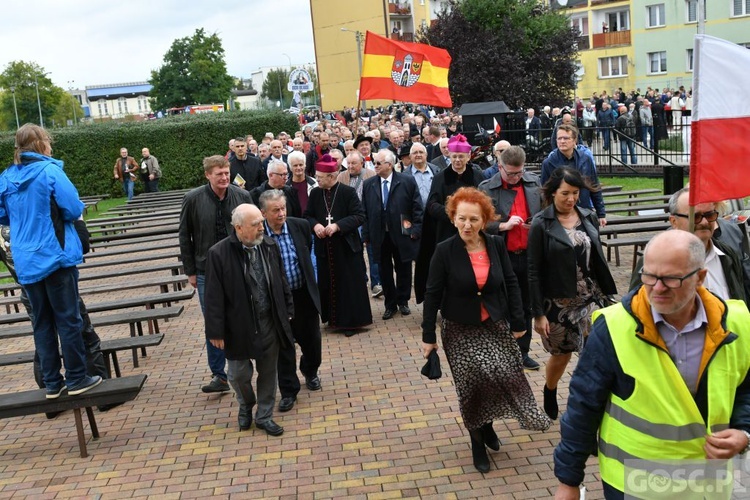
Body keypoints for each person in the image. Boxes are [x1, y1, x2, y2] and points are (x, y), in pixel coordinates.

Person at [554, 230, 750, 499]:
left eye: (671, 278)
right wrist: (568, 481)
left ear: (700, 278)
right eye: (649, 275)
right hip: (637, 481)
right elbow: (583, 405)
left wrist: (744, 431)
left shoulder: (737, 322)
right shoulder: (613, 328)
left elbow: (745, 386)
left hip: (707, 480)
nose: (657, 288)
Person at [421, 187, 551, 473]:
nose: (467, 225)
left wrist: (519, 323)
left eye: (474, 220)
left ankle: (488, 425)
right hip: (459, 329)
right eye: (462, 218)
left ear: (485, 221)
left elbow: (511, 283)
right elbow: (432, 294)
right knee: (474, 387)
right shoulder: (444, 251)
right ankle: (477, 441)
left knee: (499, 377)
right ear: (453, 218)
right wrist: (428, 336)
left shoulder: (494, 244)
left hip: (493, 324)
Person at [0, 123, 101, 398]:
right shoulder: (50, 171)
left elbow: (3, 216)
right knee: (68, 320)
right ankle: (78, 378)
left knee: (41, 324)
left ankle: (52, 384)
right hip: (54, 256)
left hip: (26, 259)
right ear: (43, 144)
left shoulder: (6, 178)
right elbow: (72, 208)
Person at [528, 167, 617, 420]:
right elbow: (533, 271)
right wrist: (538, 314)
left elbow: (596, 258)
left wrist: (607, 295)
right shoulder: (541, 224)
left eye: (575, 193)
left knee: (596, 355)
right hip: (558, 302)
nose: (571, 199)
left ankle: (588, 406)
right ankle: (550, 388)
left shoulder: (587, 216)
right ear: (552, 193)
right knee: (561, 355)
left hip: (591, 298)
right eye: (565, 193)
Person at [204, 204, 293, 437]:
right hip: (238, 325)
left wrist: (288, 310)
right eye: (255, 225)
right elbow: (213, 296)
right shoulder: (218, 253)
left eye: (261, 223)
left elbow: (281, 280)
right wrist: (216, 331)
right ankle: (246, 403)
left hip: (268, 321)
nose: (262, 228)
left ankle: (264, 416)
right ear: (239, 228)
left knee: (268, 371)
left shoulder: (269, 246)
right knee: (237, 374)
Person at [179, 155, 254, 394]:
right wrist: (190, 270)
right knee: (214, 320)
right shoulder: (193, 199)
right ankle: (219, 374)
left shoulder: (242, 196)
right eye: (218, 173)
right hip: (205, 270)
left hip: (240, 266)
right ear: (208, 175)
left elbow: (253, 229)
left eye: (226, 172)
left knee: (245, 313)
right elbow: (185, 236)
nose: (224, 177)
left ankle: (246, 361)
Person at [479, 146, 542, 371]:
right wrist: (502, 225)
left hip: (529, 255)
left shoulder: (534, 183)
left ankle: (522, 351)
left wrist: (538, 222)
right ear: (500, 167)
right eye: (511, 173)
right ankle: (502, 351)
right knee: (501, 305)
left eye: (519, 172)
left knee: (525, 306)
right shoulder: (487, 188)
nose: (516, 177)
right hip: (502, 255)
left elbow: (547, 213)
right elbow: (478, 222)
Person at [259, 190, 322, 413]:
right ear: (263, 213)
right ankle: (288, 391)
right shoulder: (259, 235)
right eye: (275, 210)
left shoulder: (300, 226)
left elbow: (309, 255)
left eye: (283, 208)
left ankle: (310, 370)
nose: (281, 213)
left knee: (312, 340)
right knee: (284, 346)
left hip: (303, 294)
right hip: (277, 301)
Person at [629, 187, 748, 304]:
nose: (705, 222)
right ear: (674, 221)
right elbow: (636, 307)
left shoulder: (728, 255)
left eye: (710, 215)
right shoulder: (653, 259)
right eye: (695, 217)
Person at [304, 153, 373, 333]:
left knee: (347, 285)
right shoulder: (316, 193)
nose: (317, 180)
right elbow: (308, 216)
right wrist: (316, 225)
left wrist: (337, 226)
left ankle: (350, 322)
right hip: (325, 248)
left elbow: (359, 216)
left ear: (332, 176)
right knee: (328, 283)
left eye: (320, 177)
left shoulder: (347, 192)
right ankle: (332, 319)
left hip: (346, 247)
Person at [361, 149, 423, 320]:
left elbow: (417, 207)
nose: (375, 166)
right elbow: (364, 212)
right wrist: (366, 236)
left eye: (379, 163)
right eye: (375, 163)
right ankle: (390, 304)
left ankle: (403, 301)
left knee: (403, 268)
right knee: (384, 270)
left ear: (389, 164)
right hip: (379, 235)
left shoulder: (407, 181)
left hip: (402, 234)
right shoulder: (369, 184)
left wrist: (415, 230)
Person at [541, 124, 607, 226]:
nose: (562, 141)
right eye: (559, 138)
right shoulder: (549, 163)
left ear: (574, 140)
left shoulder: (585, 159)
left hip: (584, 210)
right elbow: (545, 193)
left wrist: (601, 213)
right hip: (560, 215)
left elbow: (594, 185)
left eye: (566, 138)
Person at [337, 152, 380, 298]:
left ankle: (376, 283)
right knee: (356, 251)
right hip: (351, 219)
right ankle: (362, 280)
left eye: (353, 163)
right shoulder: (341, 176)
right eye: (348, 163)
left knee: (372, 251)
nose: (350, 166)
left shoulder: (371, 174)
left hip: (368, 219)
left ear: (361, 163)